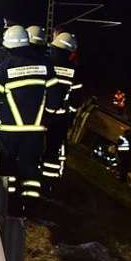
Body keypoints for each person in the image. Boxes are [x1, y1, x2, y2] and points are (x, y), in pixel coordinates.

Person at [0, 25, 55, 215]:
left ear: (7, 44)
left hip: (8, 131)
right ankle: (31, 209)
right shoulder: (46, 64)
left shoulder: (5, 67)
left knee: (8, 168)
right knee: (31, 169)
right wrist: (44, 117)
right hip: (36, 131)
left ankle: (11, 207)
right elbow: (54, 101)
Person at [40, 31, 81, 192]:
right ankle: (47, 185)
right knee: (53, 150)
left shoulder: (45, 63)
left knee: (34, 145)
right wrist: (68, 113)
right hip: (60, 119)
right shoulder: (74, 71)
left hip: (40, 115)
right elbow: (75, 100)